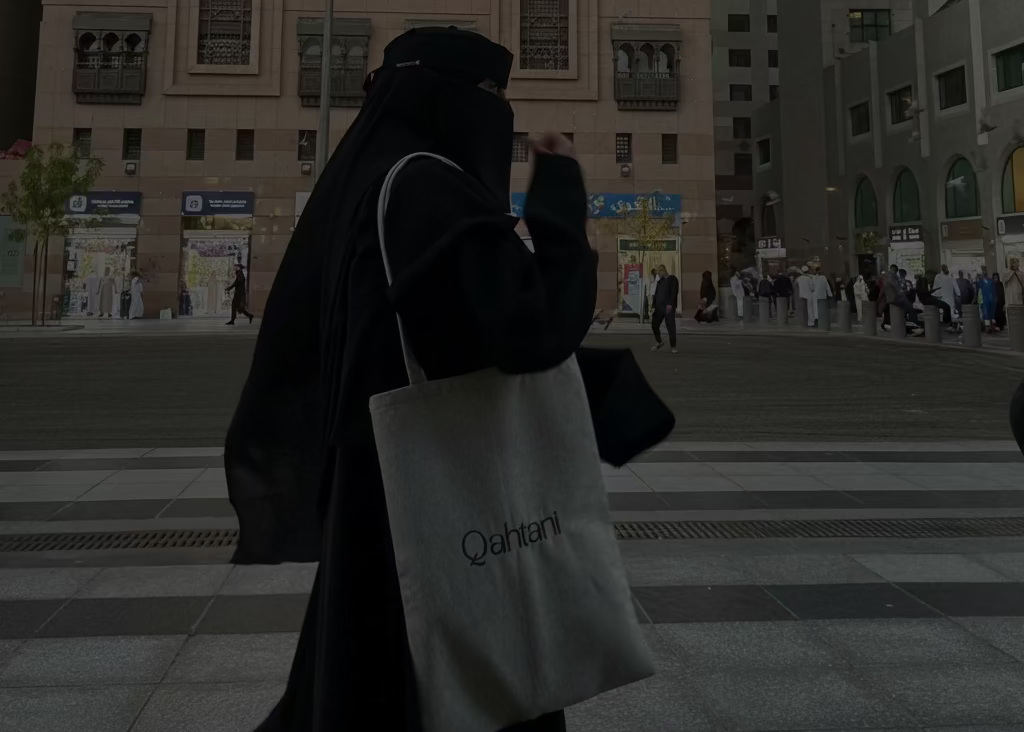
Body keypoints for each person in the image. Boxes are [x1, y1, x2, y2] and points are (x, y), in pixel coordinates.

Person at [222, 27, 673, 732]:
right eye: (490, 92)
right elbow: (524, 329)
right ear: (442, 95)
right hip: (434, 497)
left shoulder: (373, 182)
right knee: (451, 682)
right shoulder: (426, 185)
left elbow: (444, 327)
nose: (500, 109)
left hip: (380, 485)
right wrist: (559, 200)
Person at [651, 264, 679, 352]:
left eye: (659, 273)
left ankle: (673, 346)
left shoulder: (672, 279)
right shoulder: (660, 282)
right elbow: (656, 294)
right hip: (659, 307)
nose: (659, 275)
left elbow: (674, 292)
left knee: (670, 325)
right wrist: (653, 306)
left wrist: (670, 304)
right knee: (654, 324)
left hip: (668, 307)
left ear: (663, 271)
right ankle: (659, 341)